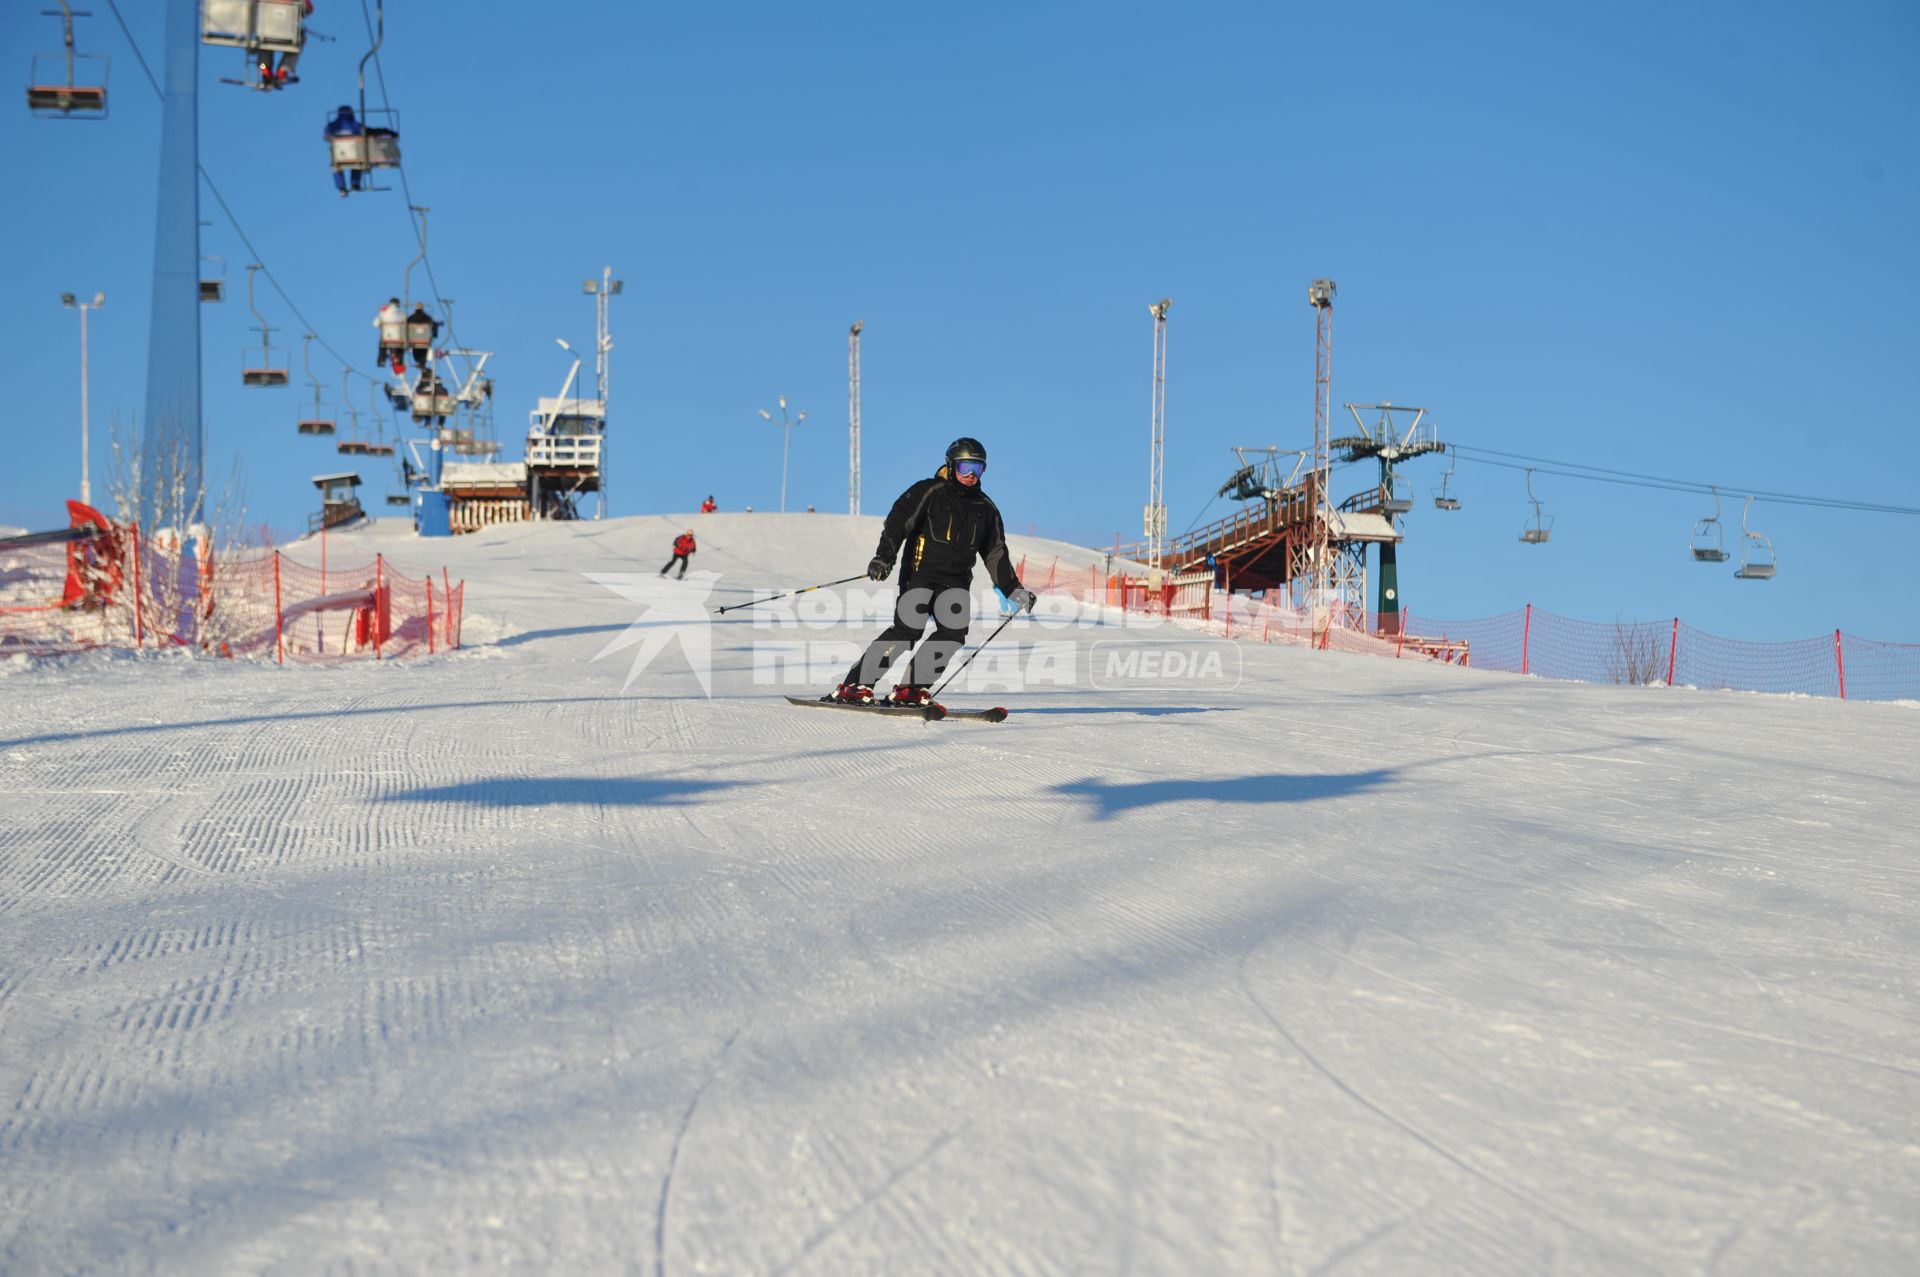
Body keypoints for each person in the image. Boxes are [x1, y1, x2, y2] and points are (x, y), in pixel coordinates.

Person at [832, 437, 1034, 707]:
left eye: (978, 468)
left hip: (957, 582)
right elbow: (897, 522)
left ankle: (911, 690)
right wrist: (884, 557)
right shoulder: (929, 491)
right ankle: (855, 685)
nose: (971, 475)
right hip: (920, 575)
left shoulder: (986, 509)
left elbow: (995, 553)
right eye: (965, 467)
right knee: (907, 631)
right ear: (951, 466)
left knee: (952, 634)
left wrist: (1013, 590)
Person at [259, 0, 313, 87]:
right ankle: (283, 71)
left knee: (262, 41)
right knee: (301, 39)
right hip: (287, 33)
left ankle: (264, 70)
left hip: (267, 31)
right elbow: (309, 8)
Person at [324, 105, 364, 197]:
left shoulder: (332, 125)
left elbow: (326, 135)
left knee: (337, 168)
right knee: (358, 165)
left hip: (338, 153)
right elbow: (363, 133)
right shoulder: (355, 125)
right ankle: (355, 184)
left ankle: (341, 187)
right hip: (354, 152)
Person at [374, 298, 405, 373]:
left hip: (386, 338)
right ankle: (399, 359)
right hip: (398, 338)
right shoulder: (402, 315)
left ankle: (382, 359)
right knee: (401, 347)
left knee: (382, 346)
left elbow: (375, 324)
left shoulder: (384, 313)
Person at [405, 303, 440, 369]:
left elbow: (405, 327)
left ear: (415, 309)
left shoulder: (410, 318)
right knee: (423, 351)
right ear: (423, 309)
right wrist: (434, 335)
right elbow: (434, 325)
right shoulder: (427, 318)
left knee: (416, 351)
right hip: (424, 340)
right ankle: (422, 363)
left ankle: (420, 362)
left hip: (413, 340)